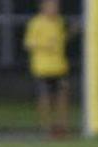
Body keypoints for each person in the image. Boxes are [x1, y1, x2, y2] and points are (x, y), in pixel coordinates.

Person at [24, 0, 70, 137]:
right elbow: (28, 44)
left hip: (59, 67)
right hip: (42, 68)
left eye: (56, 6)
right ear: (43, 7)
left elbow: (61, 40)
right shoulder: (36, 23)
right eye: (51, 6)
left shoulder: (60, 22)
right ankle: (46, 128)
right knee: (45, 98)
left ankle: (62, 128)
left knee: (62, 97)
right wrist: (45, 45)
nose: (54, 9)